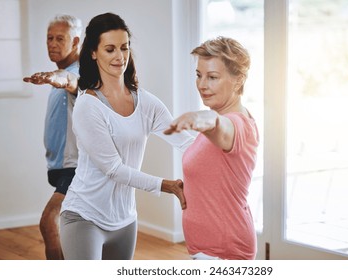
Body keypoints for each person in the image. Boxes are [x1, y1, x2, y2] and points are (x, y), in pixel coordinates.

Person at [30, 13, 194, 260]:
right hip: (84, 217)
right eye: (110, 49)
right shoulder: (88, 105)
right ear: (94, 53)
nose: (120, 56)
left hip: (125, 220)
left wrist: (224, 144)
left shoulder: (147, 102)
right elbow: (114, 169)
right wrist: (168, 185)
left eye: (124, 47)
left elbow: (185, 142)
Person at [164, 37, 259, 260]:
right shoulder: (222, 116)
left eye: (213, 77)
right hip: (207, 251)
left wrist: (200, 117)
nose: (202, 85)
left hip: (225, 251)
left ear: (238, 81)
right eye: (199, 75)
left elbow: (219, 126)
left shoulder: (239, 124)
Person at [23, 14, 82, 260]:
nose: (53, 44)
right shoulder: (61, 72)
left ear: (76, 41)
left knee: (49, 222)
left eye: (60, 38)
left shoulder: (77, 73)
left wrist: (55, 78)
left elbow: (72, 82)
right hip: (60, 165)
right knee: (73, 230)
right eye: (49, 38)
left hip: (76, 167)